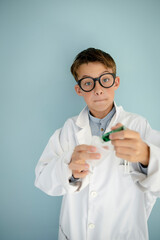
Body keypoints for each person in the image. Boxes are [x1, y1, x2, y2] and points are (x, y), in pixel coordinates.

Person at [35, 48, 160, 240]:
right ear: (79, 90)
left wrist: (147, 156)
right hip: (76, 232)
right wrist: (68, 168)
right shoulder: (69, 129)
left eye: (105, 79)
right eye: (88, 83)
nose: (98, 89)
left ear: (116, 82)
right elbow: (42, 179)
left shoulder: (138, 126)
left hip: (125, 232)